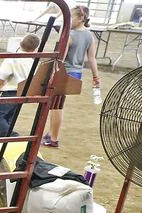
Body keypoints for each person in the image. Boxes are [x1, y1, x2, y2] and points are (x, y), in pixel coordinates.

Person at [42, 5, 100, 148]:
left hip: (64, 72)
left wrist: (51, 73)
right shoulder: (89, 36)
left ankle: (54, 138)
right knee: (56, 105)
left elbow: (60, 57)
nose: (68, 21)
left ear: (81, 18)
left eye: (71, 17)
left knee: (56, 107)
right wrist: (96, 77)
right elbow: (92, 58)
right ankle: (50, 133)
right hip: (76, 73)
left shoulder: (70, 35)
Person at [0, 34, 41, 138]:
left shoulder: (12, 59)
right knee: (10, 118)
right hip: (22, 92)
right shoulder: (32, 62)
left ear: (20, 44)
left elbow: (3, 75)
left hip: (10, 92)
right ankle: (4, 139)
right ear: (35, 50)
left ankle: (11, 135)